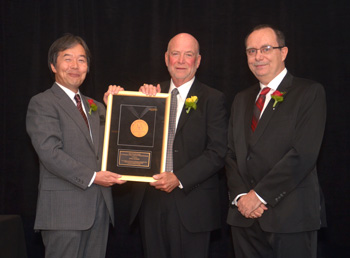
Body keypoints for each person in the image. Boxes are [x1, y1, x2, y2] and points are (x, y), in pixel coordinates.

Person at [225, 24, 327, 258]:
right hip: (244, 219)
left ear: (284, 52)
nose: (258, 56)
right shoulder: (241, 99)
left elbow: (303, 154)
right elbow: (230, 154)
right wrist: (242, 197)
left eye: (266, 48)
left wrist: (258, 196)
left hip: (291, 219)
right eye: (251, 51)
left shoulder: (309, 92)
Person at [26, 34, 125, 258]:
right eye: (67, 58)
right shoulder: (43, 102)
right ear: (53, 65)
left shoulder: (97, 107)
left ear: (88, 67)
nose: (75, 66)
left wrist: (117, 108)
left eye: (81, 60)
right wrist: (93, 176)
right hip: (63, 214)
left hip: (100, 209)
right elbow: (50, 153)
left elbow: (113, 148)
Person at [129, 33, 228, 257]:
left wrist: (179, 177)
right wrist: (132, 101)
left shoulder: (213, 98)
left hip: (191, 201)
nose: (181, 60)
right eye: (176, 54)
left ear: (198, 61)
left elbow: (218, 151)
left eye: (188, 55)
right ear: (166, 58)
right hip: (150, 200)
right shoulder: (149, 94)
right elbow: (131, 138)